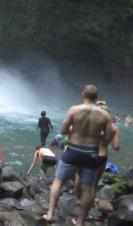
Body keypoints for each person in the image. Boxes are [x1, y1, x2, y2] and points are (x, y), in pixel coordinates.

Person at [43, 85, 114, 226]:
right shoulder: (105, 115)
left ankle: (50, 214)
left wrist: (75, 130)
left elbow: (63, 130)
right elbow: (110, 134)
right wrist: (99, 138)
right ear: (96, 97)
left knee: (58, 181)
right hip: (91, 153)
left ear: (83, 94)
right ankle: (80, 221)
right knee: (87, 187)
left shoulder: (74, 110)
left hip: (73, 150)